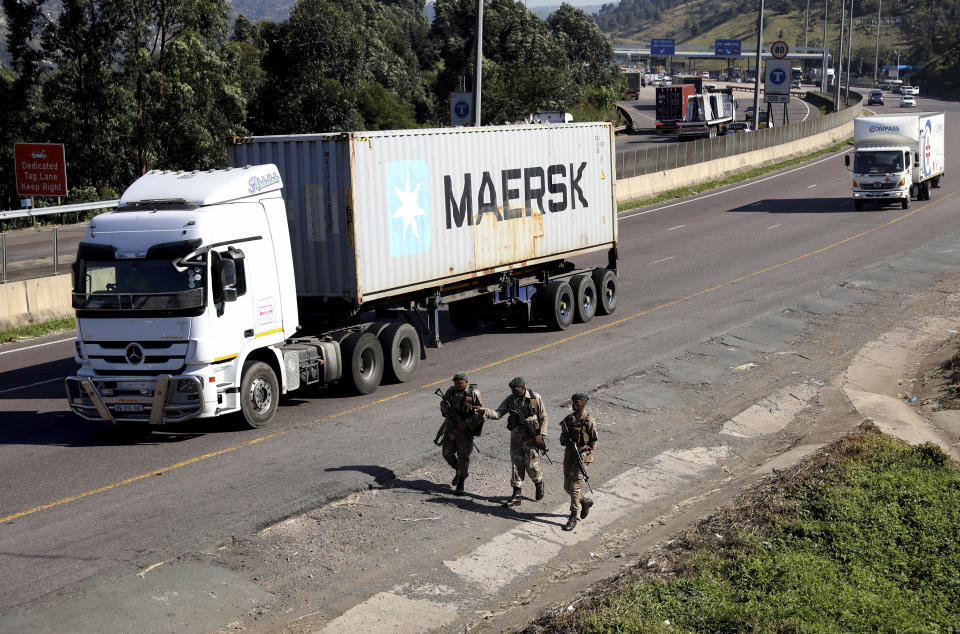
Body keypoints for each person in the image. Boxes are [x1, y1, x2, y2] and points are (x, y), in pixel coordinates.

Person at [476, 377, 548, 506]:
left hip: (531, 437)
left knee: (532, 465)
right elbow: (498, 414)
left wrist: (541, 434)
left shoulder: (534, 397)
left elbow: (544, 416)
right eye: (512, 389)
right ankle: (516, 495)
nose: (513, 391)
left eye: (516, 389)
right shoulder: (510, 399)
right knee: (516, 464)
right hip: (516, 436)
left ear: (523, 387)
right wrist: (484, 411)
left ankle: (538, 482)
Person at [559, 393, 598, 531]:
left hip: (582, 456)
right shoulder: (568, 420)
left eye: (577, 402)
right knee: (567, 487)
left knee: (575, 487)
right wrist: (566, 440)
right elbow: (562, 439)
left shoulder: (589, 420)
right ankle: (584, 501)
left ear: (584, 403)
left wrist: (585, 453)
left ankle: (573, 516)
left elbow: (594, 442)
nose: (574, 404)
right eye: (573, 402)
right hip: (569, 454)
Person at [440, 371, 483, 495]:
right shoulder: (451, 391)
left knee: (463, 457)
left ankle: (461, 483)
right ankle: (459, 470)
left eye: (460, 382)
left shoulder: (474, 393)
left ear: (466, 382)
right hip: (451, 428)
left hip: (465, 431)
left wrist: (467, 423)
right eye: (456, 382)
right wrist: (446, 410)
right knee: (447, 453)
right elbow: (443, 403)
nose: (457, 384)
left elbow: (480, 413)